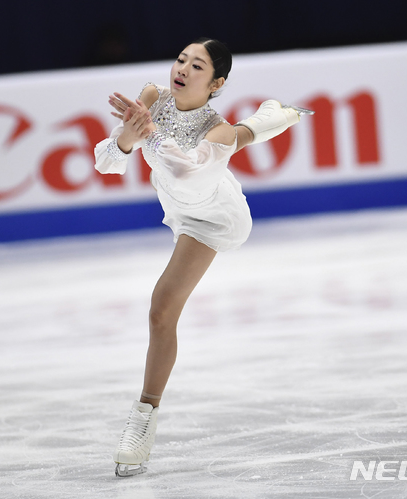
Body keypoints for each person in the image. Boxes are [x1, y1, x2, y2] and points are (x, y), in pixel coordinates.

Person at [93, 37, 311, 477]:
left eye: (198, 66)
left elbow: (186, 176)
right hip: (178, 204)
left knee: (161, 309)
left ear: (216, 83)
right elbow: (105, 164)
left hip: (212, 216)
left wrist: (145, 136)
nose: (184, 69)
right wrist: (124, 141)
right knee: (247, 132)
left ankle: (143, 418)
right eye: (181, 59)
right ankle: (277, 114)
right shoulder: (153, 98)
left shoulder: (217, 130)